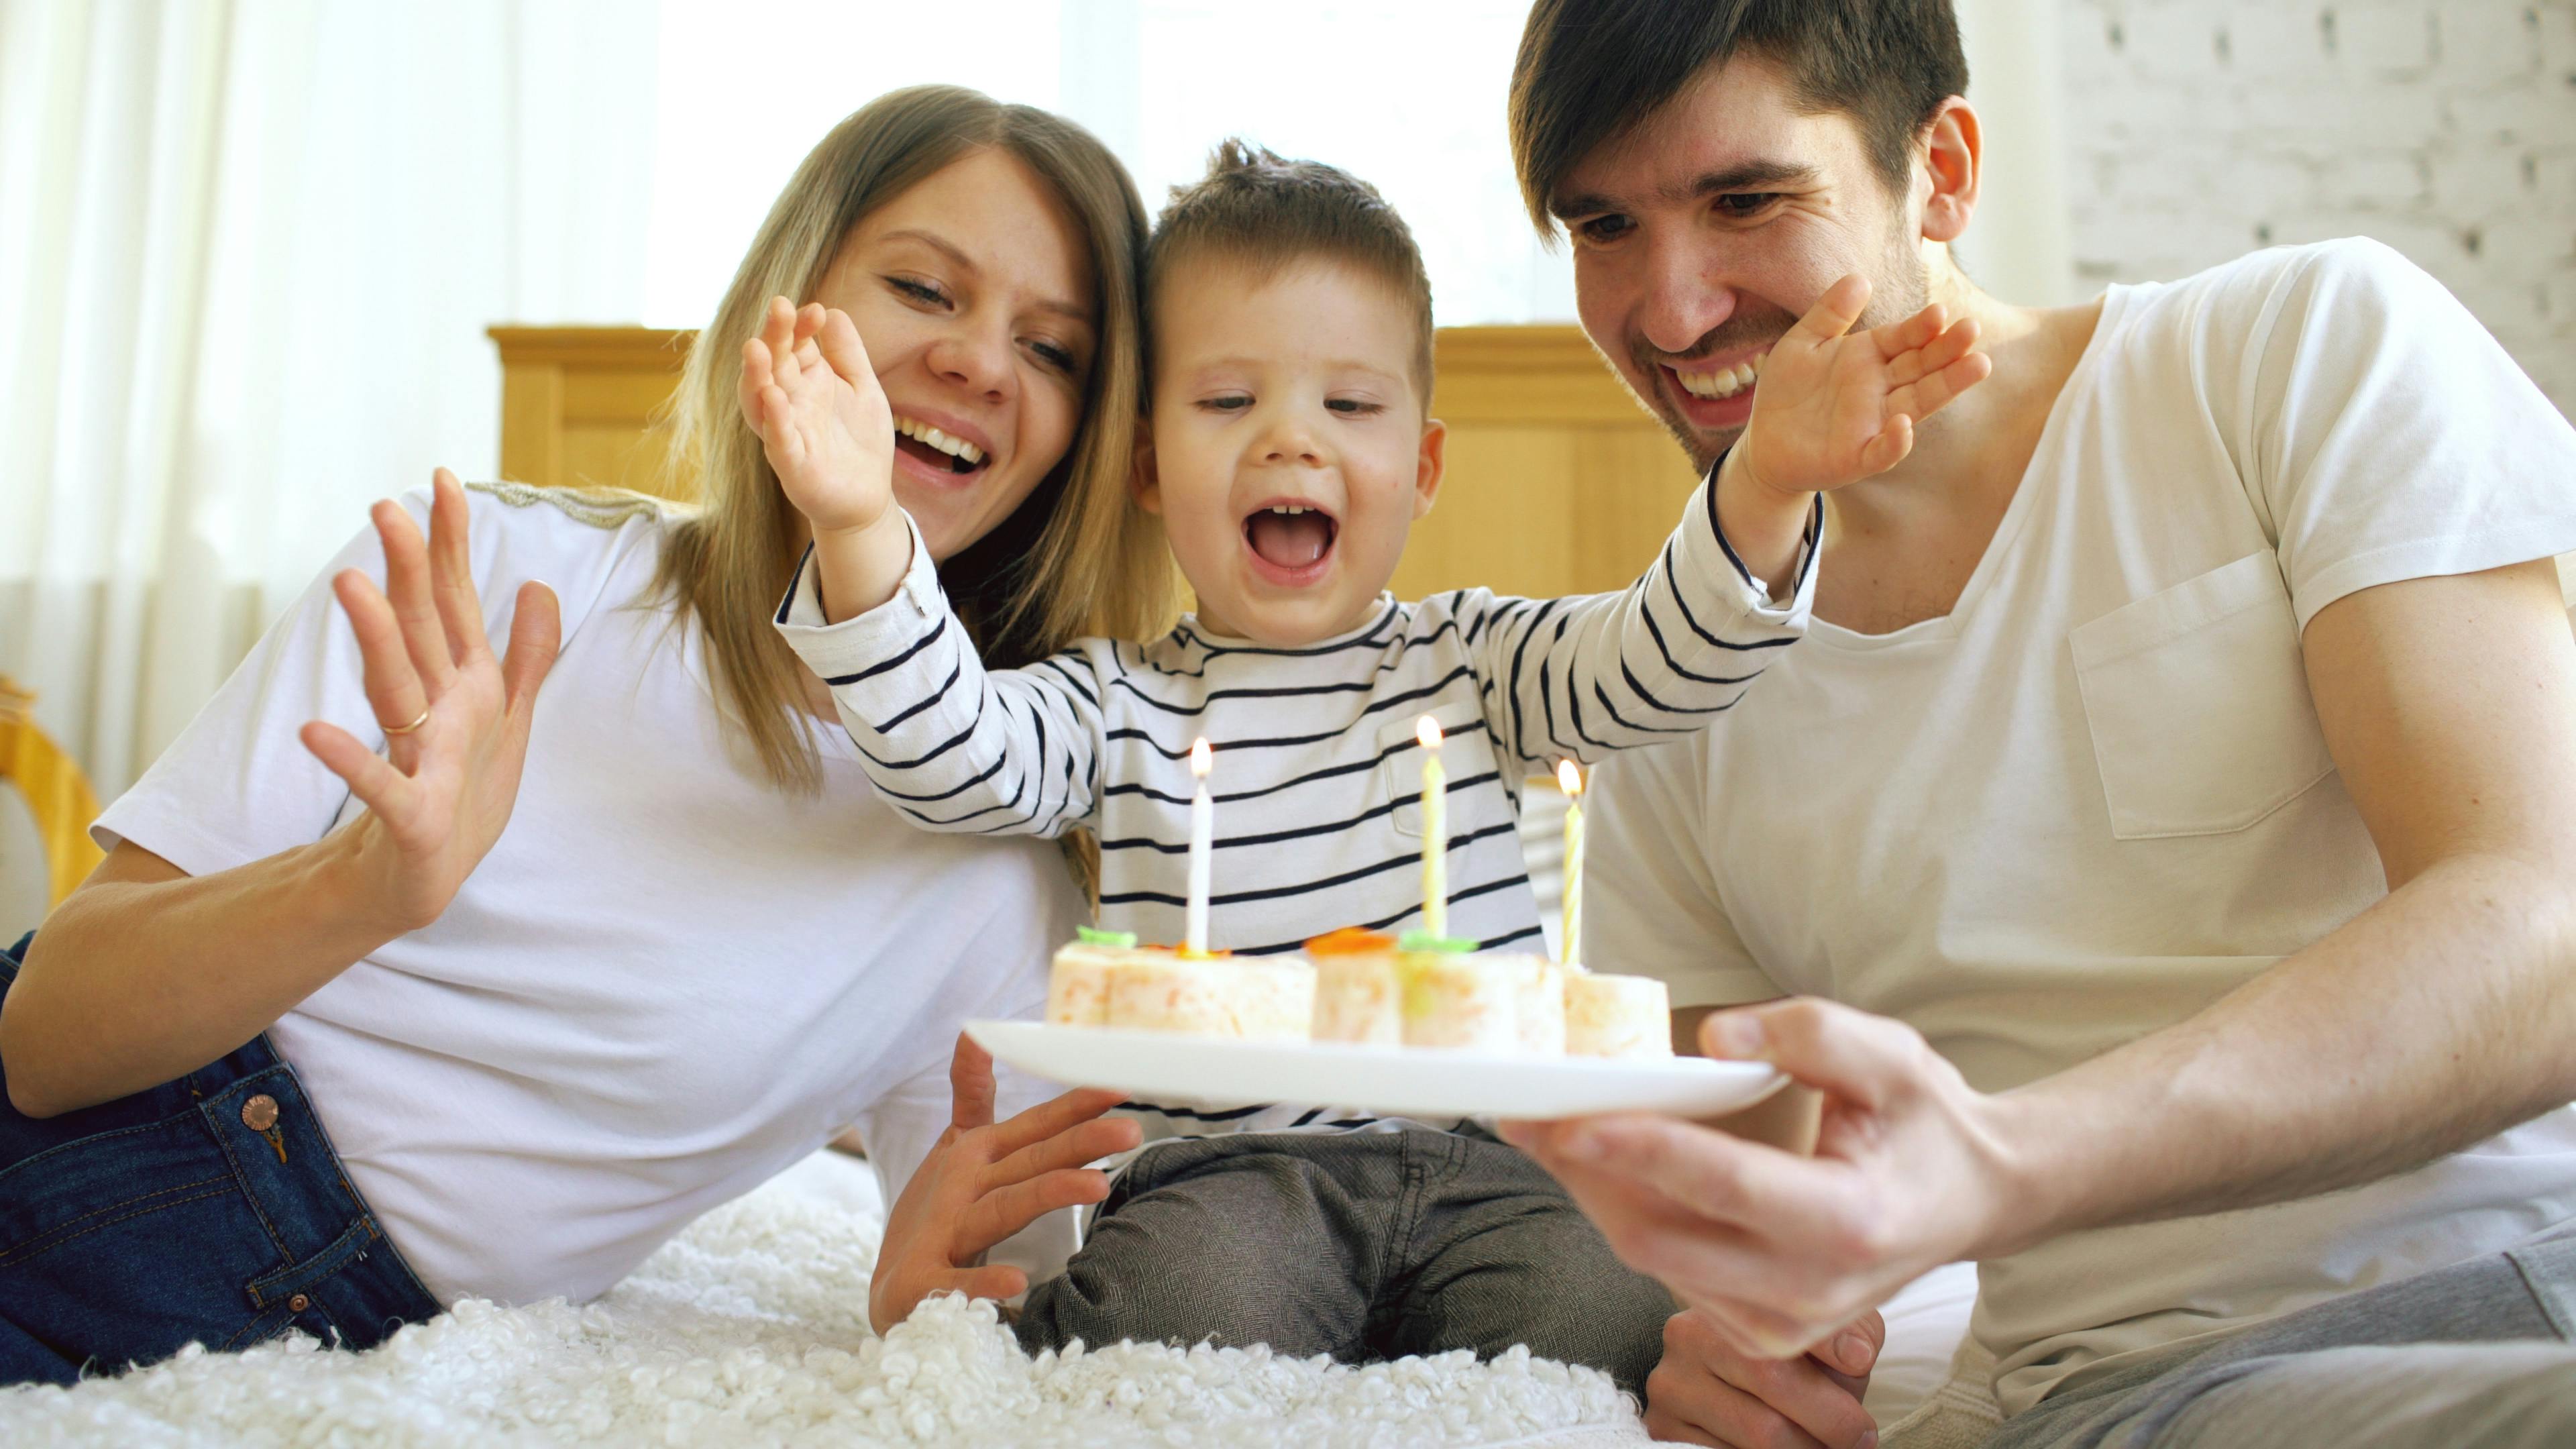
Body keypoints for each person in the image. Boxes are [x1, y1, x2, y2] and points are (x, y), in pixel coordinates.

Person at [1488, 3, 2576, 1447]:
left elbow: (2543, 918)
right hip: (2174, 1392)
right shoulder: (1663, 695)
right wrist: (1745, 1347)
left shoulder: (2294, 354)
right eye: (1603, 225)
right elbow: (1764, 1215)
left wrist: (2000, 1160)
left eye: (1746, 201)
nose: (1674, 310)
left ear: (1940, 169)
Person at [745, 140, 1987, 1394]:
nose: (1292, 443)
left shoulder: (1482, 663)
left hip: (1503, 1174)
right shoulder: (1114, 705)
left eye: (1349, 406)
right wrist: (859, 525)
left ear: (1424, 467)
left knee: (1610, 1326)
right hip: (1233, 1181)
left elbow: (1660, 661)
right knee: (1166, 1327)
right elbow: (945, 752)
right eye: (1228, 403)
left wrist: (1765, 481)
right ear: (1145, 467)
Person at [0, 86, 1175, 1387]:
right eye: (925, 289)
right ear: (786, 304)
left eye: (1055, 349)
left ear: (1089, 441)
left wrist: (920, 1304)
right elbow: (48, 1040)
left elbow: (1008, 1291)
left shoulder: (998, 883)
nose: (980, 362)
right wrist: (365, 891)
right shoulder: (498, 576)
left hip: (306, 1313)